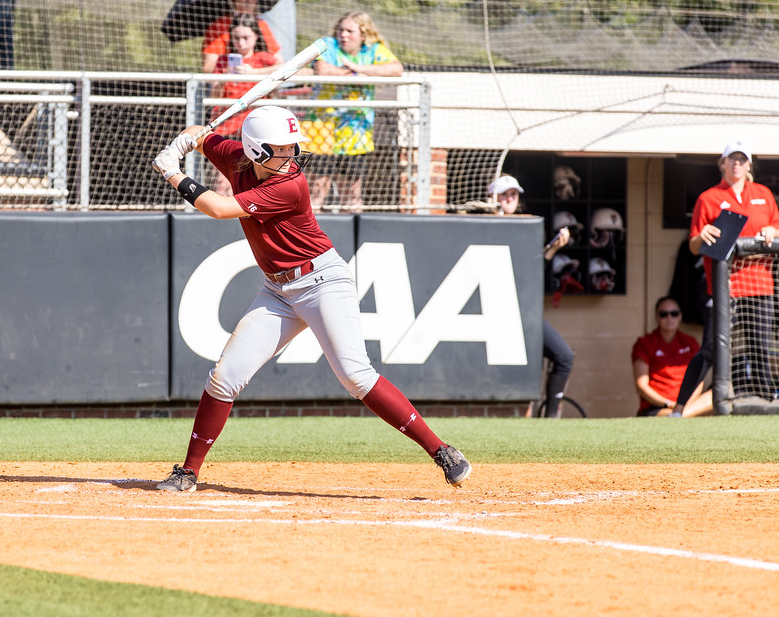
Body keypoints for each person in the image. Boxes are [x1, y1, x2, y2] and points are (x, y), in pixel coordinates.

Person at [149, 105, 471, 492]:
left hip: (322, 282)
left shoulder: (290, 184)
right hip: (277, 290)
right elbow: (202, 133)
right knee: (225, 376)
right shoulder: (236, 158)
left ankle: (441, 451)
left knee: (355, 375)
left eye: (291, 148)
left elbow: (217, 209)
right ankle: (188, 472)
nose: (289, 158)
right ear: (253, 150)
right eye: (278, 150)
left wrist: (172, 171)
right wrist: (188, 140)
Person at [672, 141, 779, 415]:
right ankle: (679, 408)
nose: (737, 165)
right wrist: (702, 235)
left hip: (760, 284)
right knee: (711, 349)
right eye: (732, 159)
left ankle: (766, 405)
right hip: (724, 287)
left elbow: (776, 227)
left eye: (742, 160)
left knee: (760, 347)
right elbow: (694, 244)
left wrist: (771, 231)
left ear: (749, 165)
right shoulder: (708, 198)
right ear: (722, 163)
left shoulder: (763, 194)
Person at [490, 174, 574, 418]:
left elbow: (532, 271)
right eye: (504, 194)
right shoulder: (483, 224)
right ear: (492, 198)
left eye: (513, 194)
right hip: (493, 312)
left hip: (523, 312)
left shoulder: (525, 228)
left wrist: (553, 248)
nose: (509, 199)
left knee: (564, 356)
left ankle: (550, 418)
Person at [306, 11, 403, 211]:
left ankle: (351, 232)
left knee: (350, 192)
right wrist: (354, 72)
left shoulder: (373, 50)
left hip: (355, 132)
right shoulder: (329, 45)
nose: (344, 35)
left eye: (350, 31)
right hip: (322, 129)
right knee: (317, 189)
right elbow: (323, 70)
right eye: (341, 30)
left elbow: (395, 68)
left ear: (363, 34)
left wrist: (358, 67)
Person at [206, 13, 282, 195]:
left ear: (256, 36)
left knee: (256, 178)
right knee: (224, 180)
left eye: (246, 37)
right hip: (228, 126)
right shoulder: (224, 61)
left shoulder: (264, 59)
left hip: (255, 127)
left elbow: (295, 70)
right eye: (236, 38)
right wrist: (225, 77)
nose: (241, 43)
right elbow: (214, 96)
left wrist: (255, 72)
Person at [631, 296, 711, 417]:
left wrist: (684, 404)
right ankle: (679, 414)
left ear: (680, 316)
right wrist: (669, 404)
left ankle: (679, 415)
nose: (669, 318)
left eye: (674, 313)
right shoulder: (645, 343)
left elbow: (699, 381)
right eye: (664, 314)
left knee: (717, 393)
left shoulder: (690, 342)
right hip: (657, 407)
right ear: (657, 317)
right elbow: (641, 386)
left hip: (688, 405)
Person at [201, 0, 282, 74]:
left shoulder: (261, 24)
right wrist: (231, 69)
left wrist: (254, 72)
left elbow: (281, 64)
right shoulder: (219, 26)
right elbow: (208, 68)